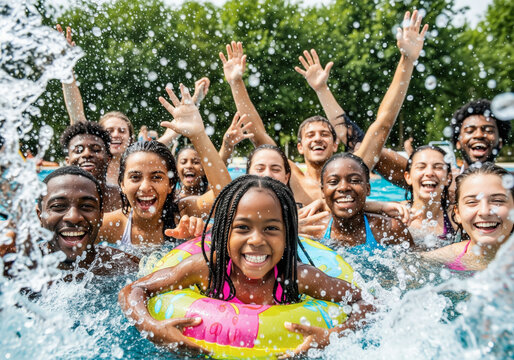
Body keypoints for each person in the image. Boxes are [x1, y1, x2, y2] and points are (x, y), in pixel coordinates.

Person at [118, 175, 374, 355]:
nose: (256, 240)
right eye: (242, 228)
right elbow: (133, 290)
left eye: (271, 228)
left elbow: (368, 303)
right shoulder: (207, 269)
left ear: (288, 236)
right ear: (223, 234)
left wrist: (336, 334)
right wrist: (150, 325)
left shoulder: (299, 277)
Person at [220, 10, 428, 206]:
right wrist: (236, 82)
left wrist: (407, 60)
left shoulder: (352, 170)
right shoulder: (288, 176)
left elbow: (382, 124)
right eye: (310, 135)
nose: (317, 138)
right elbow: (257, 135)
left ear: (336, 144)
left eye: (324, 134)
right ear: (300, 147)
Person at [56, 25, 210, 185]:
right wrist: (66, 69)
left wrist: (194, 103)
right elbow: (76, 113)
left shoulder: (137, 161)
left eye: (122, 131)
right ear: (99, 138)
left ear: (130, 140)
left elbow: (175, 129)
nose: (116, 134)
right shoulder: (89, 165)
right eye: (109, 131)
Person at [98, 84, 232, 252]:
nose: (145, 187)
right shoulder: (111, 226)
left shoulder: (183, 212)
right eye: (135, 177)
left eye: (156, 177)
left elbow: (228, 200)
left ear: (170, 185)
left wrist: (199, 135)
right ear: (122, 185)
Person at [1, 166, 139, 277]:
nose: (73, 217)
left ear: (101, 216)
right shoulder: (15, 268)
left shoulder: (124, 266)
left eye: (86, 206)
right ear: (40, 216)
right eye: (58, 206)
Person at [374, 99, 512, 190]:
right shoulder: (443, 181)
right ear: (458, 143)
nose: (478, 135)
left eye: (488, 130)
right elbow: (373, 153)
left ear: (500, 142)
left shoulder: (509, 185)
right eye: (470, 130)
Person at [301, 153, 414, 253]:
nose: (344, 187)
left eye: (354, 180)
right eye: (333, 182)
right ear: (322, 191)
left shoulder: (390, 229)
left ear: (368, 188)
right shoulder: (312, 231)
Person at [423, 163, 514, 271]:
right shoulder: (442, 258)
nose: (484, 212)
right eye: (471, 202)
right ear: (458, 214)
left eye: (498, 201)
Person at [60, 121, 122, 212]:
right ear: (68, 161)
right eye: (78, 150)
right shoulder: (57, 197)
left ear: (108, 159)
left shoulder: (121, 197)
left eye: (96, 150)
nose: (87, 154)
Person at [404, 146, 456, 249]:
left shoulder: (455, 217)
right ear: (408, 177)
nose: (429, 173)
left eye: (438, 167)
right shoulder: (396, 213)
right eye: (421, 167)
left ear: (448, 178)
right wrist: (380, 206)